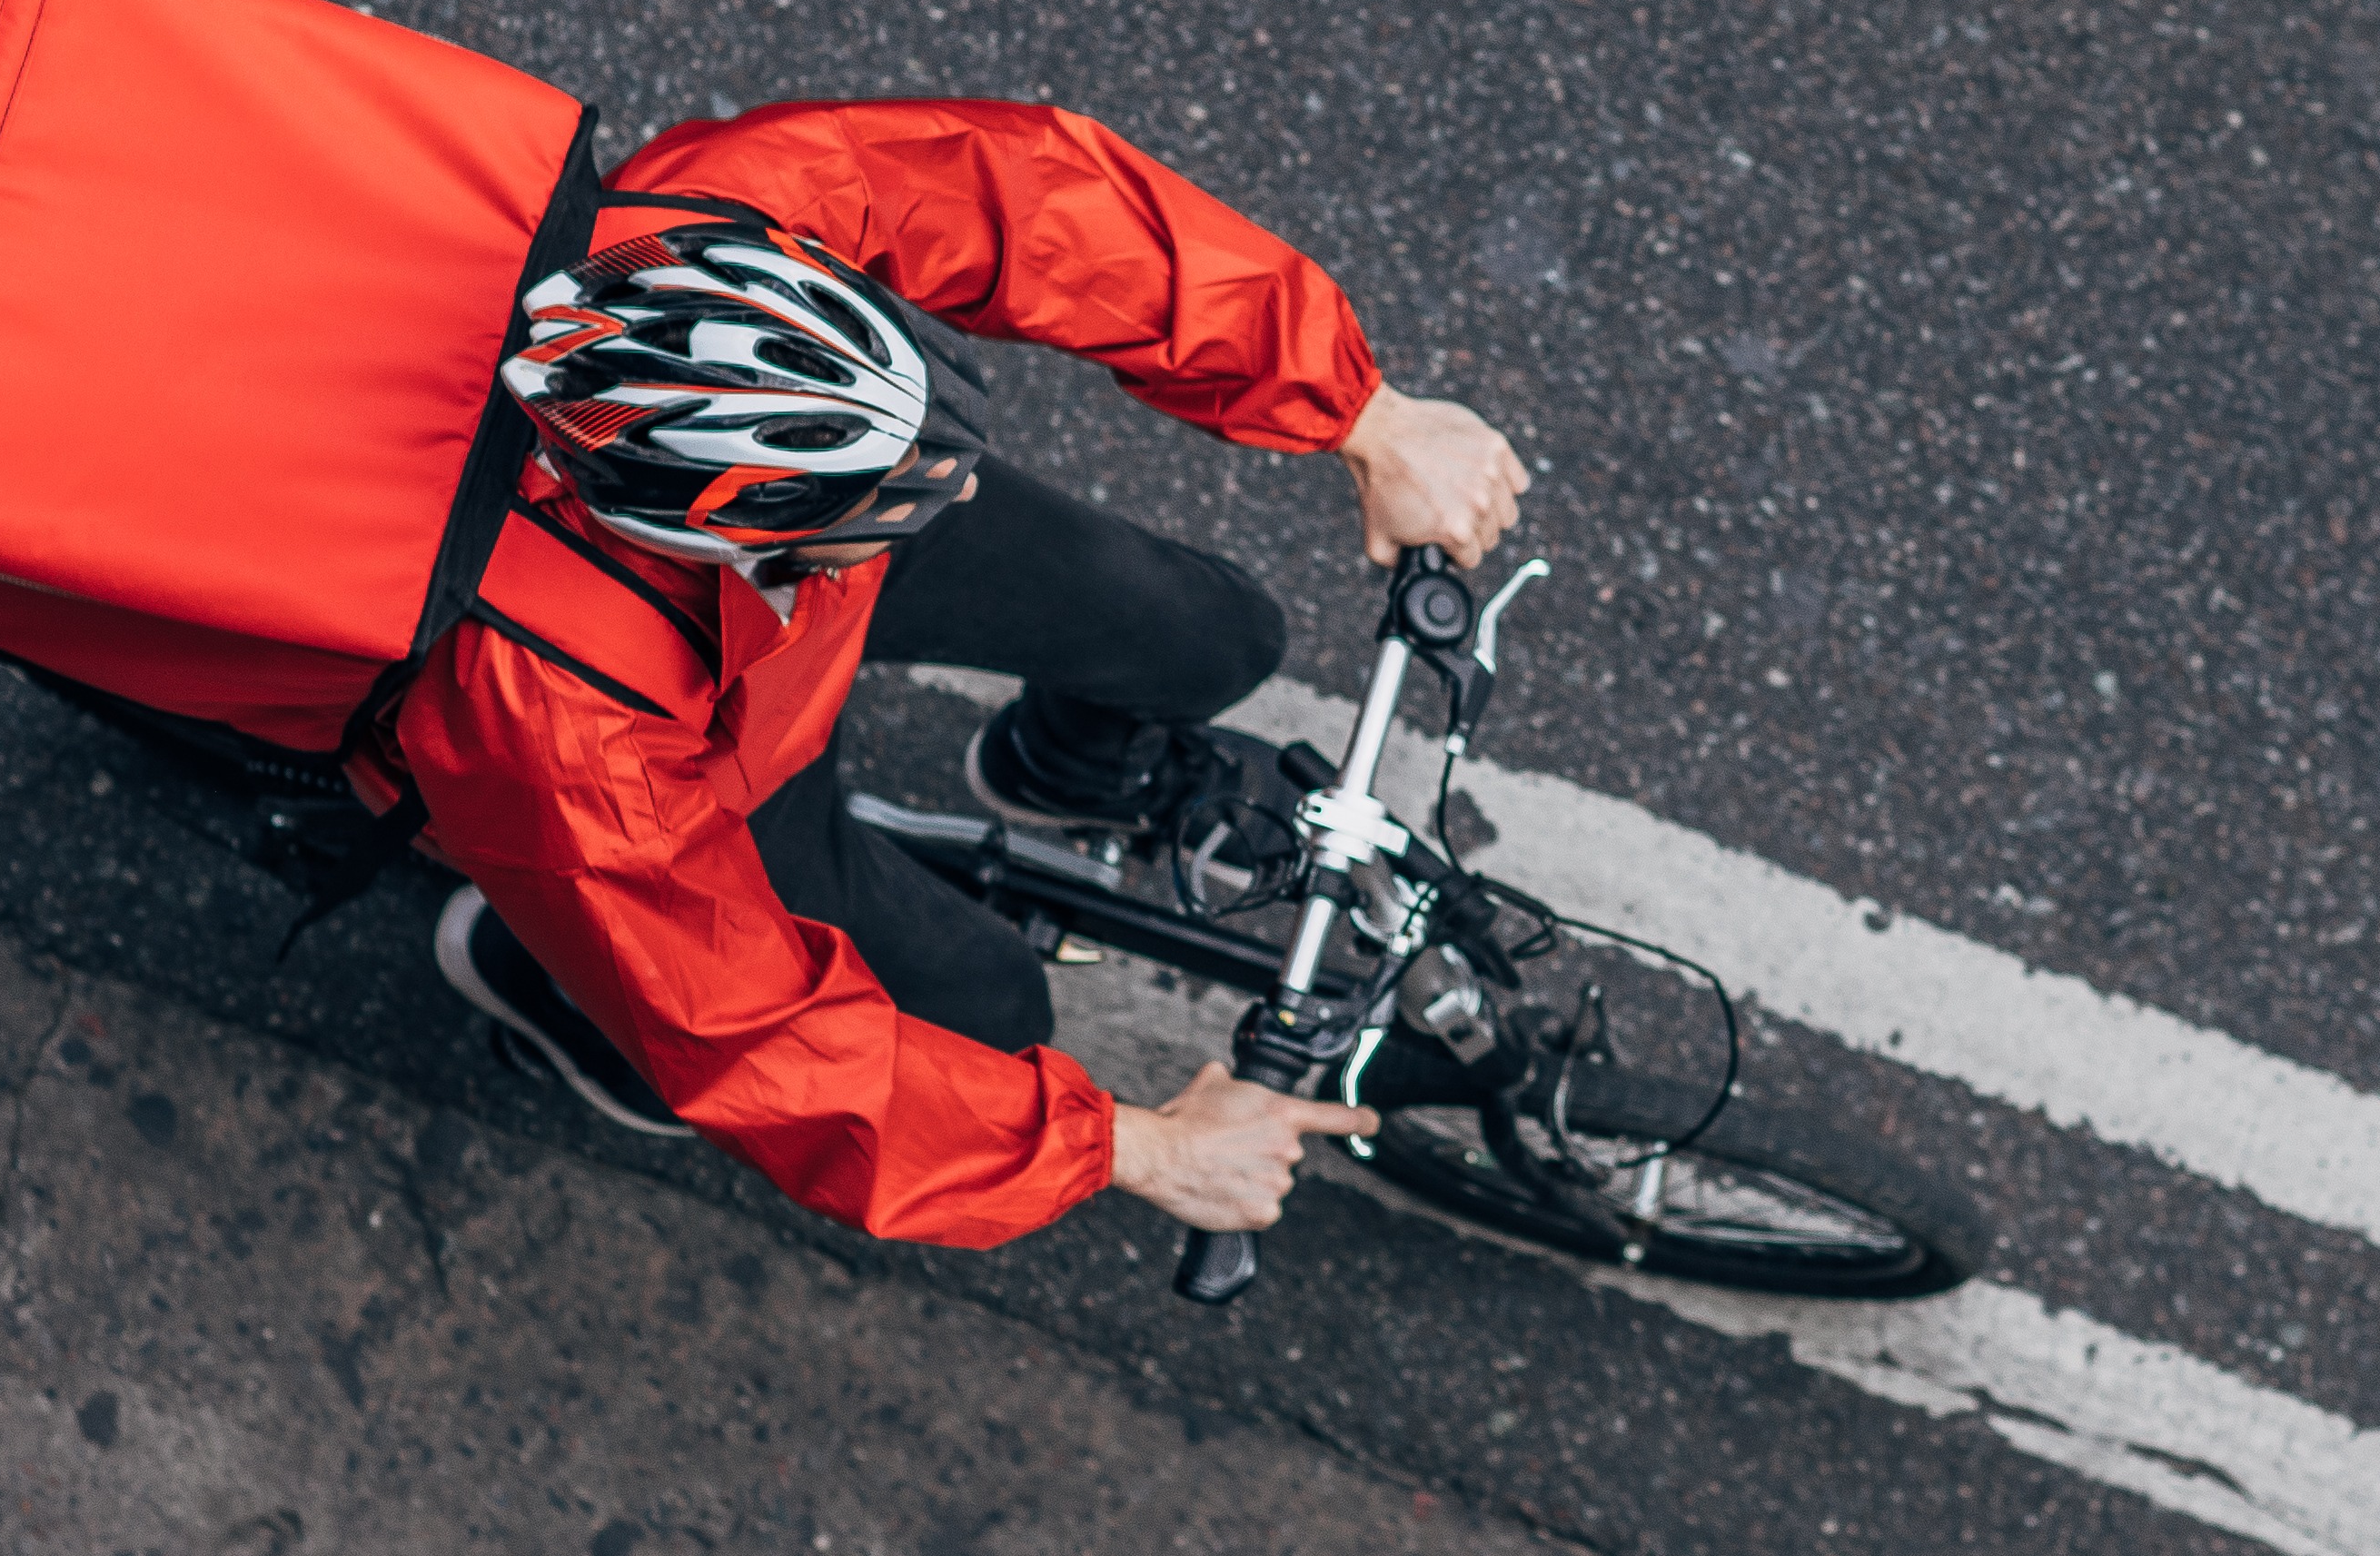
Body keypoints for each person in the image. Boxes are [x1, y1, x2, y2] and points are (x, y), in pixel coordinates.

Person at [365, 94, 1526, 1251]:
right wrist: (1135, 1148)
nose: (963, 491)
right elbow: (750, 1039)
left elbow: (1019, 195)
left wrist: (1359, 407)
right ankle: (550, 987)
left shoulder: (738, 209)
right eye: (906, 498)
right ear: (742, 533)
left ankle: (1061, 767)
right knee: (988, 1011)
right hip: (699, 755)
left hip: (791, 586)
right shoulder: (557, 727)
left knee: (1213, 632)